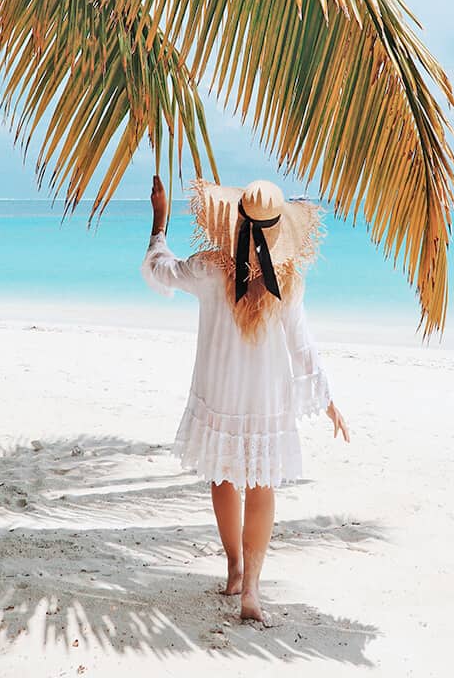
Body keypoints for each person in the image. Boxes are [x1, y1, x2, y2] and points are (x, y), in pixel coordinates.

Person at [142, 174, 349, 624]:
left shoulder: (211, 266)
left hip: (220, 388)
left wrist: (159, 222)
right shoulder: (288, 278)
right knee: (261, 485)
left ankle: (234, 568)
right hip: (265, 393)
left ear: (235, 220)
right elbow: (301, 343)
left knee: (223, 474)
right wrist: (327, 397)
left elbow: (161, 269)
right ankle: (251, 588)